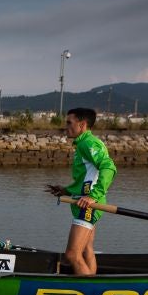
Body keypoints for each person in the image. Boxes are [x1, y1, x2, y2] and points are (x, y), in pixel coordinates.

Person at [45, 107, 117, 275]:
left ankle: (90, 294)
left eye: (69, 123)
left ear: (82, 124)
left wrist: (93, 196)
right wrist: (66, 191)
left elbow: (109, 167)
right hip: (85, 203)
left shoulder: (88, 143)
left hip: (88, 206)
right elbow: (86, 178)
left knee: (72, 254)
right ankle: (94, 287)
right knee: (86, 250)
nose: (66, 127)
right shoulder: (82, 144)